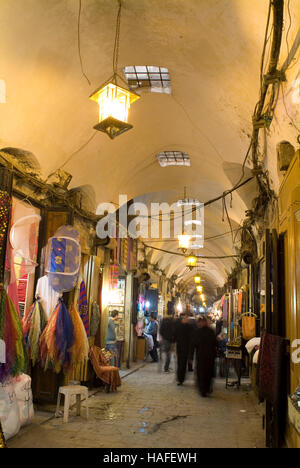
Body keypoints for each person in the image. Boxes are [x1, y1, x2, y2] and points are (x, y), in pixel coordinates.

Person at [194, 317, 217, 397]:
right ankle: (205, 389)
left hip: (202, 356)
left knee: (203, 373)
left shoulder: (198, 332)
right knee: (207, 373)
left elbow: (194, 344)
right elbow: (215, 343)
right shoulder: (210, 331)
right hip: (208, 356)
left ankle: (203, 389)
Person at [173, 313, 193, 385]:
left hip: (185, 348)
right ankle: (180, 378)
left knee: (183, 364)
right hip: (181, 348)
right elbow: (175, 336)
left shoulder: (188, 327)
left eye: (186, 319)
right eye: (185, 319)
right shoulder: (181, 327)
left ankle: (181, 378)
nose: (186, 320)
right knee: (181, 363)